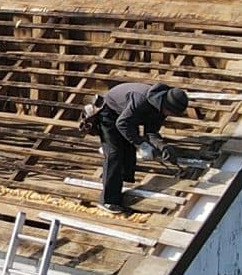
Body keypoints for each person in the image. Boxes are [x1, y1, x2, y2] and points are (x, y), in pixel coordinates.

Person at [81, 81, 191, 209]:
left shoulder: (161, 109)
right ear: (165, 104)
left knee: (128, 150)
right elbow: (121, 124)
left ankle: (121, 183)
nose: (169, 115)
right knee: (114, 153)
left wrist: (163, 146)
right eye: (170, 112)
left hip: (127, 118)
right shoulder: (140, 101)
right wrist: (142, 145)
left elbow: (151, 132)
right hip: (109, 113)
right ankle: (108, 200)